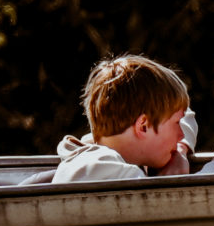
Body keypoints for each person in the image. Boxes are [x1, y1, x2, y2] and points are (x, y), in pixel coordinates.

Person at [54, 56, 196, 183]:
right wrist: (173, 180)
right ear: (143, 126)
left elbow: (186, 114)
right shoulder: (106, 171)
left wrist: (180, 150)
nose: (181, 135)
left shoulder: (89, 154)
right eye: (177, 123)